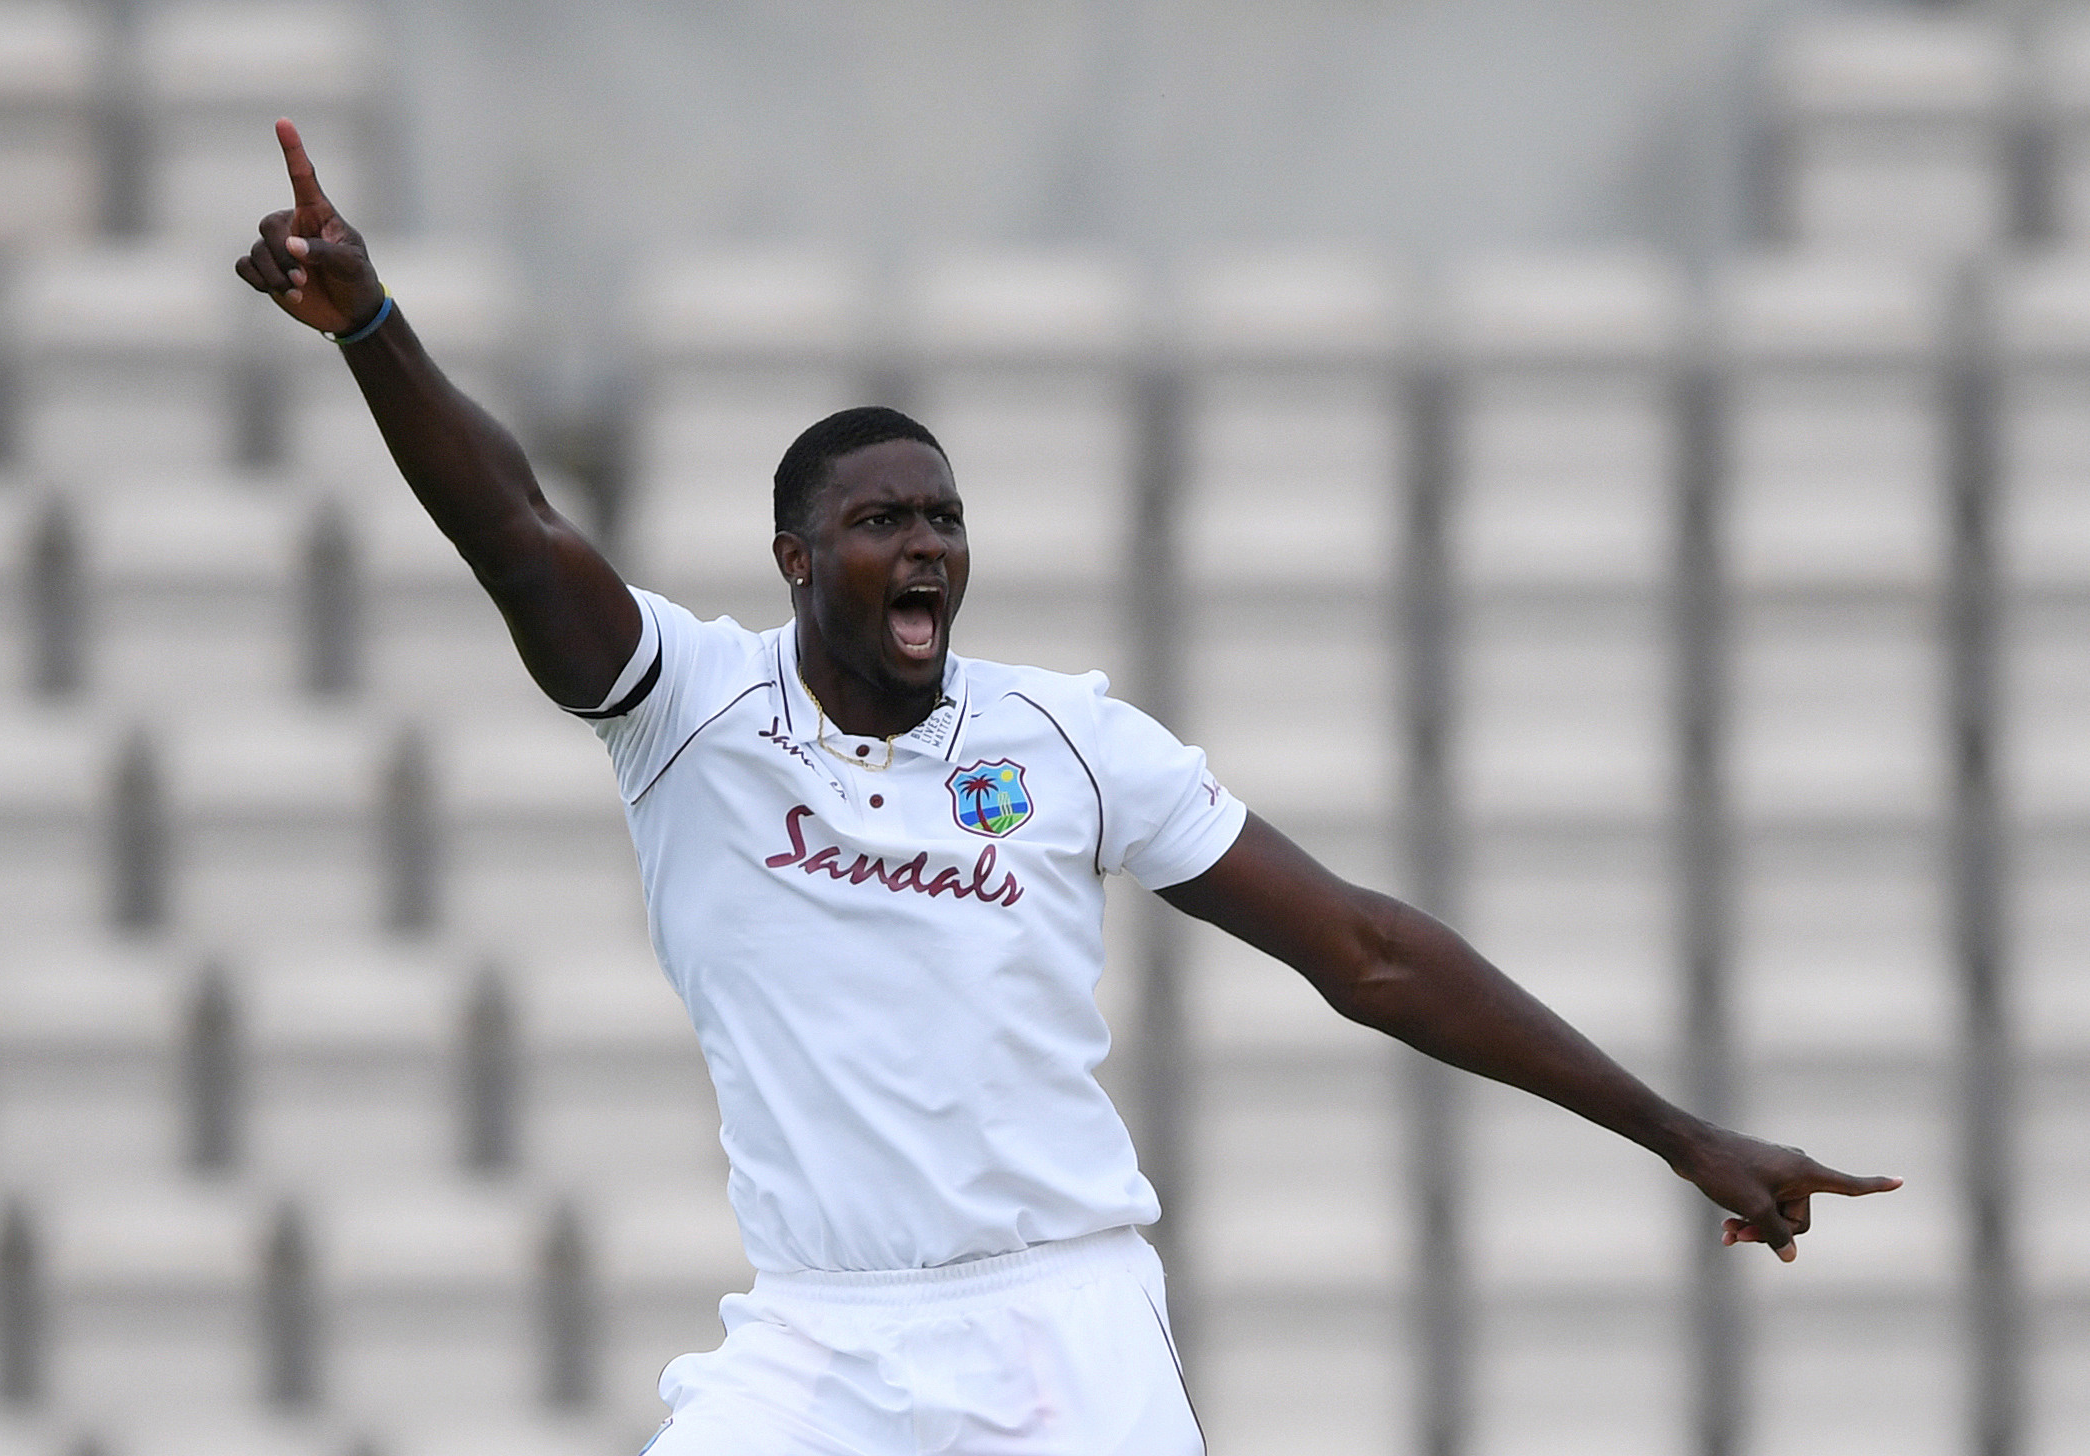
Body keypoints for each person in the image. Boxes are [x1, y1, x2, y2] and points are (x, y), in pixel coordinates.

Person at [236, 118, 1901, 1455]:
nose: (929, 546)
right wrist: (372, 329)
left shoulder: (1068, 744)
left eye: (946, 518)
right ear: (795, 556)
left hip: (1056, 1322)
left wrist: (1675, 1133)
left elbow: (1365, 955)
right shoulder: (687, 706)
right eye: (886, 519)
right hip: (820, 1332)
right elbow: (512, 531)